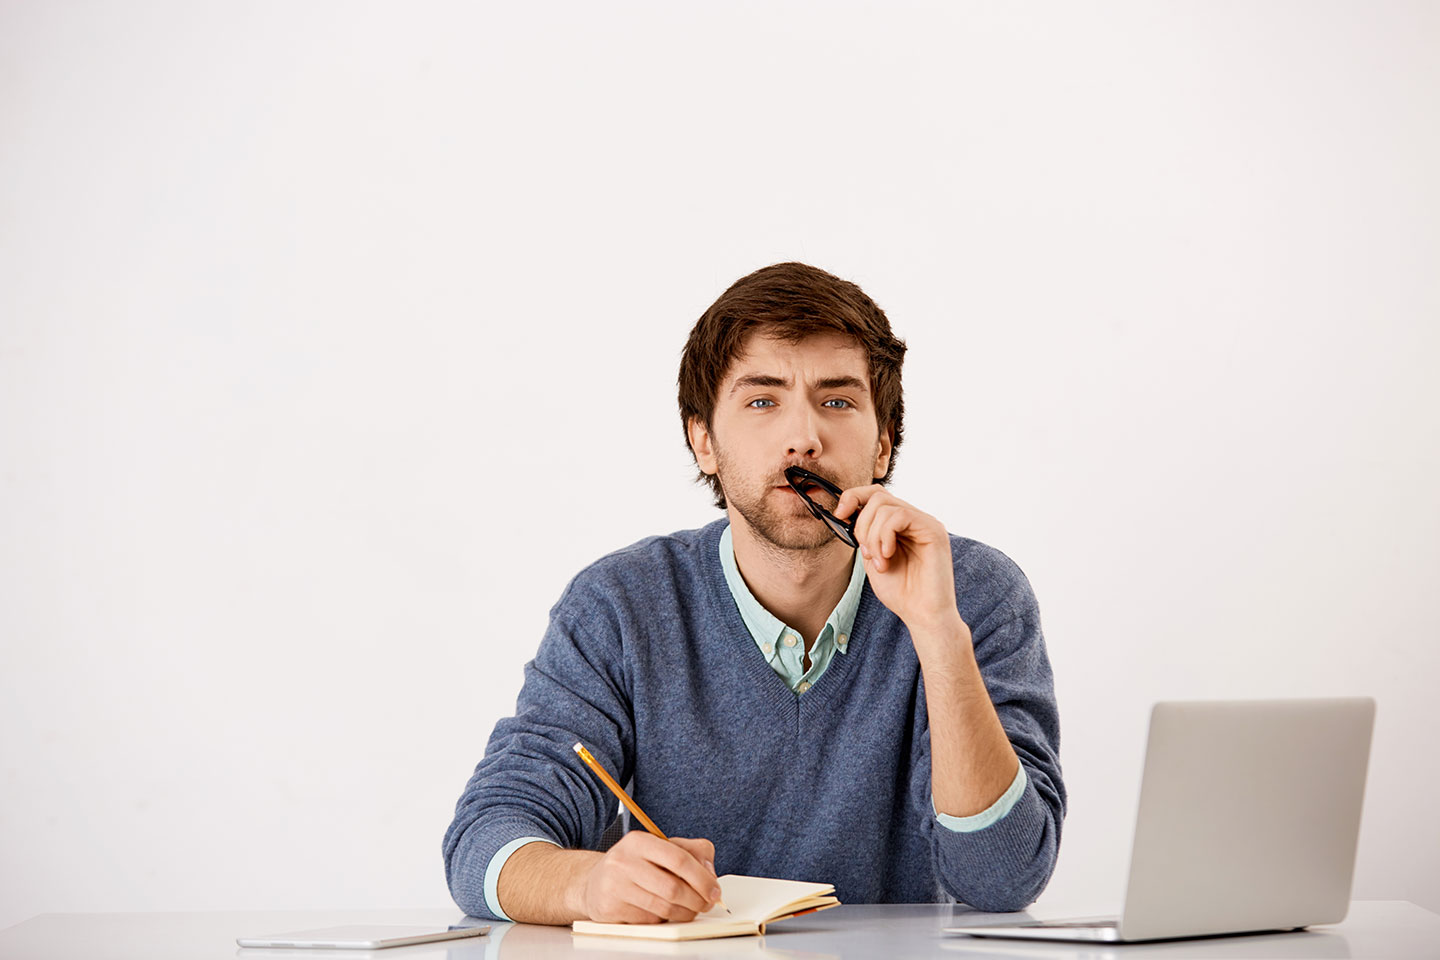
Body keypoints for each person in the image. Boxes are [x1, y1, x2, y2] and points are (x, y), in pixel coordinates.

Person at [442, 262, 1065, 925]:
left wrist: (938, 633)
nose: (805, 437)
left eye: (838, 401)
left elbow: (1003, 880)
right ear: (703, 440)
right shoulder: (620, 604)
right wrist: (585, 886)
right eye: (763, 401)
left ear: (883, 445)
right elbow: (483, 844)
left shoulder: (973, 593)